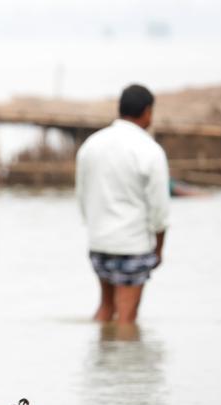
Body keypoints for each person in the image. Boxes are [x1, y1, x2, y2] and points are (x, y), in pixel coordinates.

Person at [76, 84, 171, 324]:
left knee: (105, 309)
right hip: (131, 244)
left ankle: (98, 358)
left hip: (98, 242)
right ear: (147, 111)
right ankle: (126, 361)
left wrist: (93, 228)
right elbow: (160, 208)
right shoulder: (149, 150)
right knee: (127, 318)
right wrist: (159, 249)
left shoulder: (91, 144)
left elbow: (81, 195)